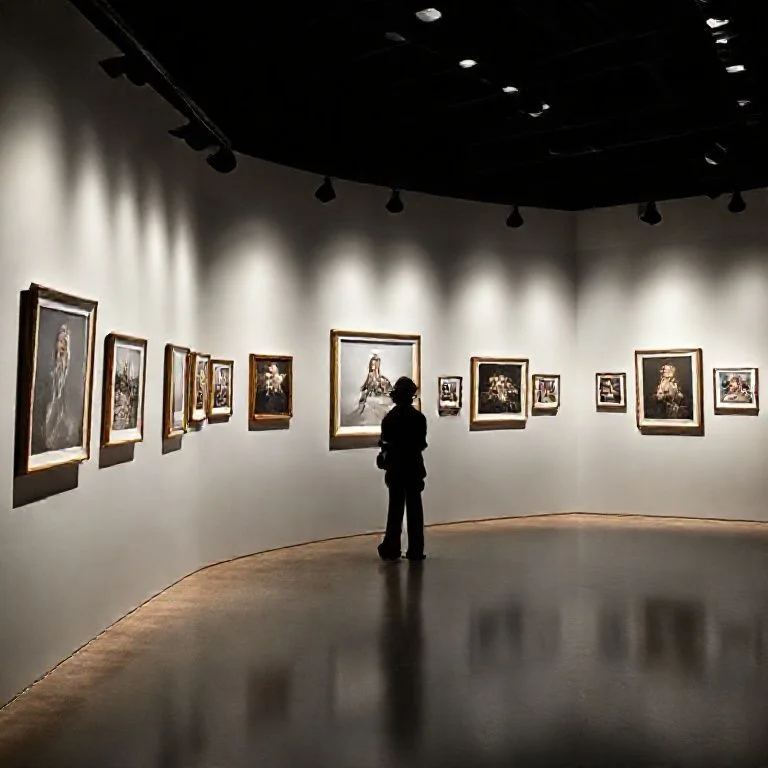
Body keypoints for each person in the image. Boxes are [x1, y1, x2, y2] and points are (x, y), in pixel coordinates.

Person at [377, 377, 427, 562]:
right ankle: (416, 549)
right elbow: (421, 444)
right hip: (413, 467)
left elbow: (385, 442)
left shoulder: (390, 418)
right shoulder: (419, 418)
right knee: (415, 510)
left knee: (395, 510)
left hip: (396, 468)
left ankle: (392, 546)